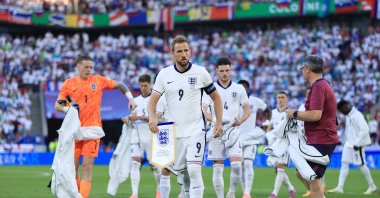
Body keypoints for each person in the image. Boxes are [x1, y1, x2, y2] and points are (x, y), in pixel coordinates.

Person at [147, 35, 223, 198]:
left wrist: (218, 123)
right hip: (175, 133)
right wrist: (152, 118)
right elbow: (152, 102)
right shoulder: (164, 74)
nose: (183, 54)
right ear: (173, 54)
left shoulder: (201, 72)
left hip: (196, 130)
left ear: (190, 52)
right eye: (179, 51)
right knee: (184, 175)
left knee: (195, 170)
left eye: (186, 50)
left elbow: (216, 97)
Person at [54, 55, 137, 198]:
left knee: (87, 167)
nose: (89, 70)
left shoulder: (98, 81)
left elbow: (120, 85)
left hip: (93, 130)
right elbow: (58, 104)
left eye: (91, 67)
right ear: (78, 67)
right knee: (72, 169)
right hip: (74, 130)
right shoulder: (69, 83)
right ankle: (76, 195)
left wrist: (130, 98)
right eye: (86, 67)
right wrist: (69, 108)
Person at [286, 55, 339, 198]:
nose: (302, 72)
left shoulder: (318, 87)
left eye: (303, 69)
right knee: (301, 172)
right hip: (320, 137)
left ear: (308, 69)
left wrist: (294, 113)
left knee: (312, 179)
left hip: (322, 138)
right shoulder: (323, 84)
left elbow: (316, 115)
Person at [205, 57, 250, 198]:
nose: (225, 73)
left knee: (237, 166)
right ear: (217, 71)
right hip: (216, 131)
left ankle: (231, 193)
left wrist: (240, 120)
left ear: (230, 70)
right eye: (222, 71)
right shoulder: (210, 88)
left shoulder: (239, 88)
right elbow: (204, 109)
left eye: (227, 70)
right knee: (217, 168)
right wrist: (215, 120)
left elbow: (247, 110)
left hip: (233, 131)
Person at [121, 74, 161, 198]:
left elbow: (156, 118)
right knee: (135, 162)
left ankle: (159, 192)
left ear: (150, 84)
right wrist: (128, 119)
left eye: (145, 85)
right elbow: (133, 116)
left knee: (154, 165)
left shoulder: (156, 100)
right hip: (137, 133)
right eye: (141, 85)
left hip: (151, 133)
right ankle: (134, 193)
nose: (143, 88)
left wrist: (137, 117)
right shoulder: (136, 100)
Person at [327, 100, 377, 194]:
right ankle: (340, 187)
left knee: (361, 164)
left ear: (346, 107)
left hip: (357, 144)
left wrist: (357, 143)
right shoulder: (349, 115)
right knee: (344, 163)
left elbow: (365, 129)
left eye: (341, 110)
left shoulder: (357, 115)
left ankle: (372, 186)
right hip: (348, 144)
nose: (341, 112)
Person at [237, 79, 270, 198]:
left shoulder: (255, 101)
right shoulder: (233, 102)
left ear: (248, 88)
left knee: (248, 164)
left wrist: (267, 124)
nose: (242, 89)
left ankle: (247, 193)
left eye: (244, 87)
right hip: (237, 139)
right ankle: (244, 191)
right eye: (240, 87)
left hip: (251, 139)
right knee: (238, 167)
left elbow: (267, 110)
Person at [265, 91, 296, 198]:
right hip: (275, 145)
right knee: (277, 170)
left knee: (280, 167)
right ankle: (291, 189)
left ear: (287, 100)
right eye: (278, 97)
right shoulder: (272, 113)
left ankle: (274, 193)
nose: (280, 99)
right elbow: (269, 128)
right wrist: (269, 138)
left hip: (285, 144)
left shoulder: (290, 113)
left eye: (283, 97)